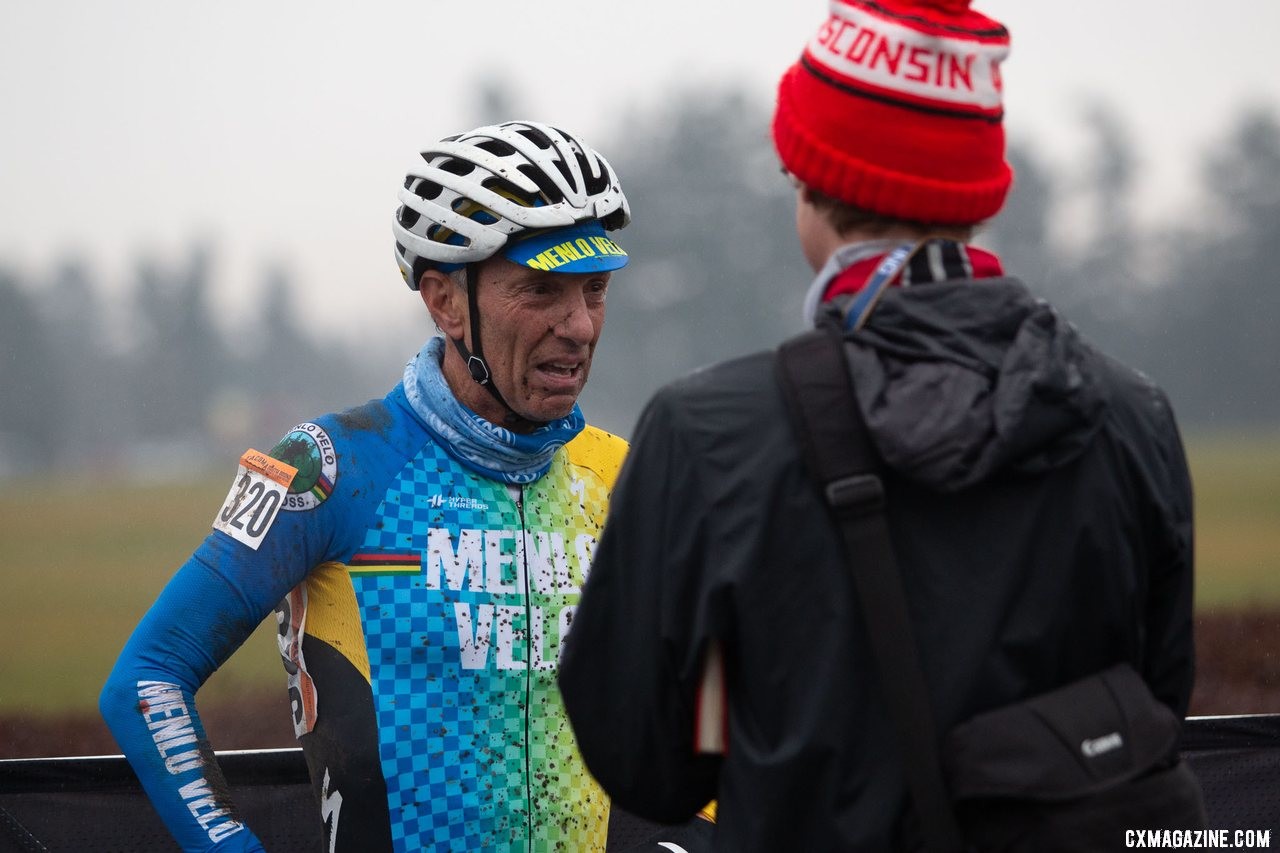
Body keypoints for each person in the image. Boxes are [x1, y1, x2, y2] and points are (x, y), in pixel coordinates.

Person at [558, 1, 1197, 850]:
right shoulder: (1133, 416)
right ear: (978, 191)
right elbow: (1157, 703)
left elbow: (646, 764)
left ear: (811, 187)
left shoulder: (705, 433)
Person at [100, 120, 637, 852]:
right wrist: (227, 846)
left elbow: (721, 681)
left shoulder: (622, 474)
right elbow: (148, 676)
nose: (578, 325)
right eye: (541, 289)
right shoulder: (322, 465)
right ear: (446, 301)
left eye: (596, 289)